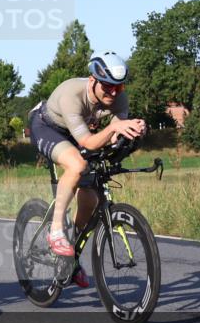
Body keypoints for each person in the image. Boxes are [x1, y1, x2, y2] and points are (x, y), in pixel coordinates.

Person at [27, 51, 146, 287]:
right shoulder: (73, 93)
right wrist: (116, 128)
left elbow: (113, 135)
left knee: (91, 198)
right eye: (107, 87)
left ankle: (71, 253)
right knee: (77, 164)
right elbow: (88, 143)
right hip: (46, 126)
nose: (113, 93)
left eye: (118, 88)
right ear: (93, 80)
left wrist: (134, 130)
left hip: (77, 133)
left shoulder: (120, 99)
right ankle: (57, 230)